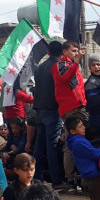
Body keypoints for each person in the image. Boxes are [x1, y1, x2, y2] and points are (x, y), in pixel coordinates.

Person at [32, 40, 65, 186]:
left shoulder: (40, 68)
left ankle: (37, 177)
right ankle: (57, 180)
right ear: (62, 52)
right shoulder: (58, 67)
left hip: (40, 110)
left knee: (39, 146)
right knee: (52, 147)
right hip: (53, 110)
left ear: (48, 52)